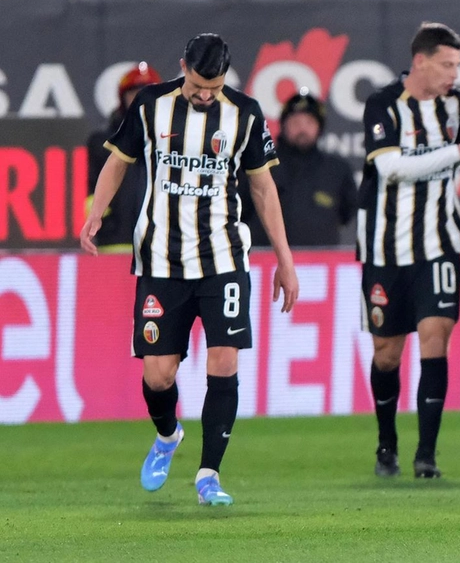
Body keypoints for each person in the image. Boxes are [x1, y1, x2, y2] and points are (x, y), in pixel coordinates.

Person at [79, 33, 300, 506]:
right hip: (161, 260)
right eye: (198, 85)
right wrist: (98, 211)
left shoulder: (245, 113)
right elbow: (118, 163)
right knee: (158, 375)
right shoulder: (150, 104)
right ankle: (167, 436)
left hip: (224, 259)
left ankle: (208, 475)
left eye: (214, 87)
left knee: (224, 360)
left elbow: (263, 190)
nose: (204, 95)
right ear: (183, 67)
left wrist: (285, 259)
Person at [359, 22, 460, 479]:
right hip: (384, 250)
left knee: (435, 339)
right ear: (421, 62)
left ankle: (426, 456)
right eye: (447, 64)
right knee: (387, 353)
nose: (455, 74)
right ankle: (386, 444)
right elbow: (392, 170)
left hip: (440, 247)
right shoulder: (382, 105)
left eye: (457, 64)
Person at [244, 91, 357, 247]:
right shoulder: (260, 164)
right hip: (266, 265)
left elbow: (348, 214)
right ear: (283, 125)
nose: (302, 129)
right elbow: (241, 211)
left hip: (321, 266)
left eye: (309, 122)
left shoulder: (337, 170)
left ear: (320, 127)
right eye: (295, 123)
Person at [86, 62, 163, 252]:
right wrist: (105, 225)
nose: (141, 100)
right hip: (115, 243)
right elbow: (90, 190)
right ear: (123, 99)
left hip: (159, 243)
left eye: (147, 94)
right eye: (134, 93)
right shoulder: (102, 142)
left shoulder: (173, 139)